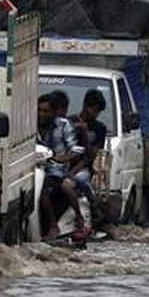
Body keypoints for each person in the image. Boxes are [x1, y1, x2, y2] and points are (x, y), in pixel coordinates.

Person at [37, 91, 89, 241]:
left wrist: (63, 158)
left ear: (54, 112)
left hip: (56, 170)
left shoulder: (64, 125)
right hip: (35, 169)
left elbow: (76, 149)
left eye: (46, 111)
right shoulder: (31, 126)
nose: (41, 114)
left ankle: (56, 225)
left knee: (44, 189)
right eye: (39, 110)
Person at [68, 89, 109, 214]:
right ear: (85, 105)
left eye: (98, 112)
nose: (95, 115)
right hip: (65, 163)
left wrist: (85, 134)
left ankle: (94, 205)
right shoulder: (69, 122)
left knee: (81, 180)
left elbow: (91, 156)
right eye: (94, 110)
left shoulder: (100, 128)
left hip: (83, 168)